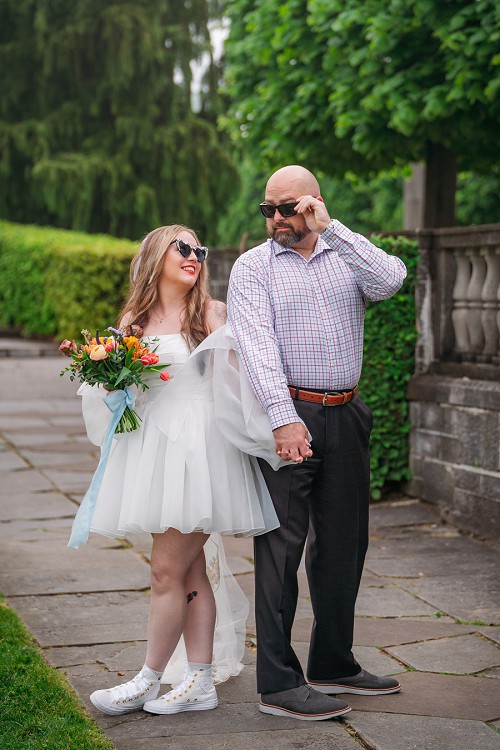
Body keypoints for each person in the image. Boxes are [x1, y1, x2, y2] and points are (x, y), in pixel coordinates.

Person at [227, 165, 407, 721]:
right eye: (269, 209)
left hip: (347, 413)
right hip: (289, 415)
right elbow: (257, 349)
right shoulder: (252, 268)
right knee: (280, 551)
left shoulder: (343, 255)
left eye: (289, 208)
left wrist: (334, 230)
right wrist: (283, 420)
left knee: (345, 546)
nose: (278, 219)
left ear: (313, 204)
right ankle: (279, 684)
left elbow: (392, 280)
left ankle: (333, 661)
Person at [77, 224, 280, 717]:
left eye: (199, 250)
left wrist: (269, 432)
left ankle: (147, 678)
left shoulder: (211, 314)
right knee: (188, 569)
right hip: (154, 449)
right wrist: (111, 384)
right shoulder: (133, 320)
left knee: (165, 569)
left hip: (200, 449)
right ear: (155, 256)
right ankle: (199, 680)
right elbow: (121, 396)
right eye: (182, 247)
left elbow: (241, 385)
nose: (194, 256)